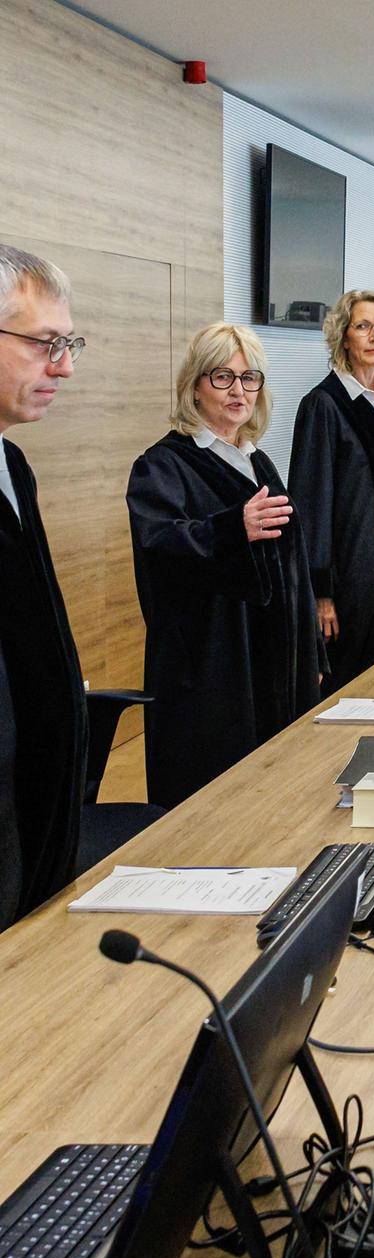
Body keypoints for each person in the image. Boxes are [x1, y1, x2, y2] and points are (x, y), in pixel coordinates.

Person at [126, 323, 320, 809]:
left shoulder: (258, 463)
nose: (239, 391)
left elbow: (291, 568)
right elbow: (161, 544)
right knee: (217, 801)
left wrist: (311, 653)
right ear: (195, 385)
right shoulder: (163, 465)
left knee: (276, 792)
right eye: (223, 377)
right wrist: (232, 528)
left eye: (249, 378)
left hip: (276, 659)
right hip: (214, 665)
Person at [0, 245, 88, 930]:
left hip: (41, 819)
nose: (62, 366)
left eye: (68, 345)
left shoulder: (13, 462)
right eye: (44, 345)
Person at [289, 291, 374, 690]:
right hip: (352, 580)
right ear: (343, 337)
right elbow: (311, 503)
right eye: (362, 326)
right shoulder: (323, 405)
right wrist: (320, 593)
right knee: (357, 685)